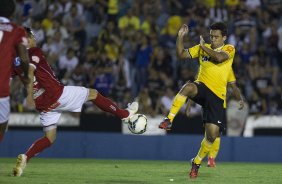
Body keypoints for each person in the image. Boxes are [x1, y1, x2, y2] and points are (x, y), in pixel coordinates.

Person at [12, 27, 139, 177]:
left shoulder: (14, 61)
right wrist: (28, 97)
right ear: (26, 39)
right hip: (56, 94)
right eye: (32, 35)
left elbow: (11, 80)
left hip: (43, 104)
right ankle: (124, 114)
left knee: (49, 138)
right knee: (93, 94)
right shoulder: (34, 51)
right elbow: (31, 71)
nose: (34, 38)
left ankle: (25, 158)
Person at [159, 22, 236, 178]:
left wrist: (203, 47)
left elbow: (219, 58)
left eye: (216, 37)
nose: (213, 39)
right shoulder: (202, 47)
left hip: (217, 97)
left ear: (224, 38)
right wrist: (180, 37)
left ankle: (197, 161)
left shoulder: (229, 49)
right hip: (202, 87)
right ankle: (169, 119)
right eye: (211, 36)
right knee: (187, 87)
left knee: (212, 135)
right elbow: (181, 54)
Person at [185, 80, 244, 168]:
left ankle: (211, 159)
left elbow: (233, 89)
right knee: (210, 134)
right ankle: (199, 160)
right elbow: (195, 91)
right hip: (208, 106)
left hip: (221, 108)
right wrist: (189, 106)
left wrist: (239, 99)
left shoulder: (223, 77)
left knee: (217, 133)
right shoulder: (206, 76)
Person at [0, 0, 30, 143]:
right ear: (12, 13)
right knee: (2, 126)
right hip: (1, 89)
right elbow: (24, 59)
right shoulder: (17, 30)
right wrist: (25, 76)